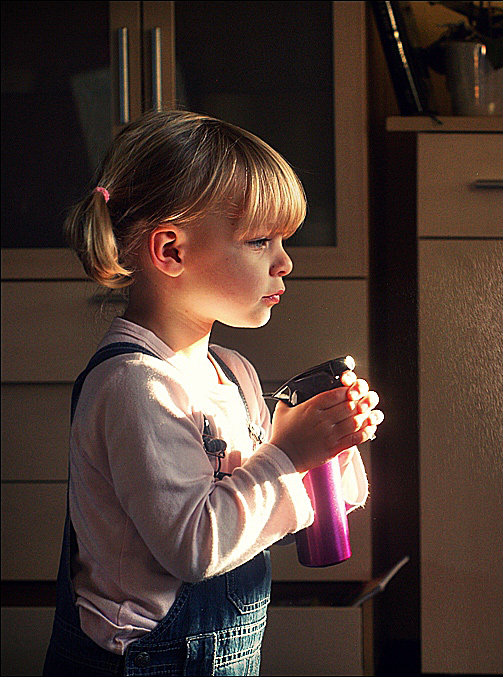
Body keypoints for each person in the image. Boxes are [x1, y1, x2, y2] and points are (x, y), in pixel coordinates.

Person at [42, 110, 383, 676]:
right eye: (260, 241)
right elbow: (196, 546)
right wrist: (291, 454)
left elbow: (264, 511)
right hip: (144, 664)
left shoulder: (232, 371)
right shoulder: (136, 385)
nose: (285, 261)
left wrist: (328, 444)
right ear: (171, 251)